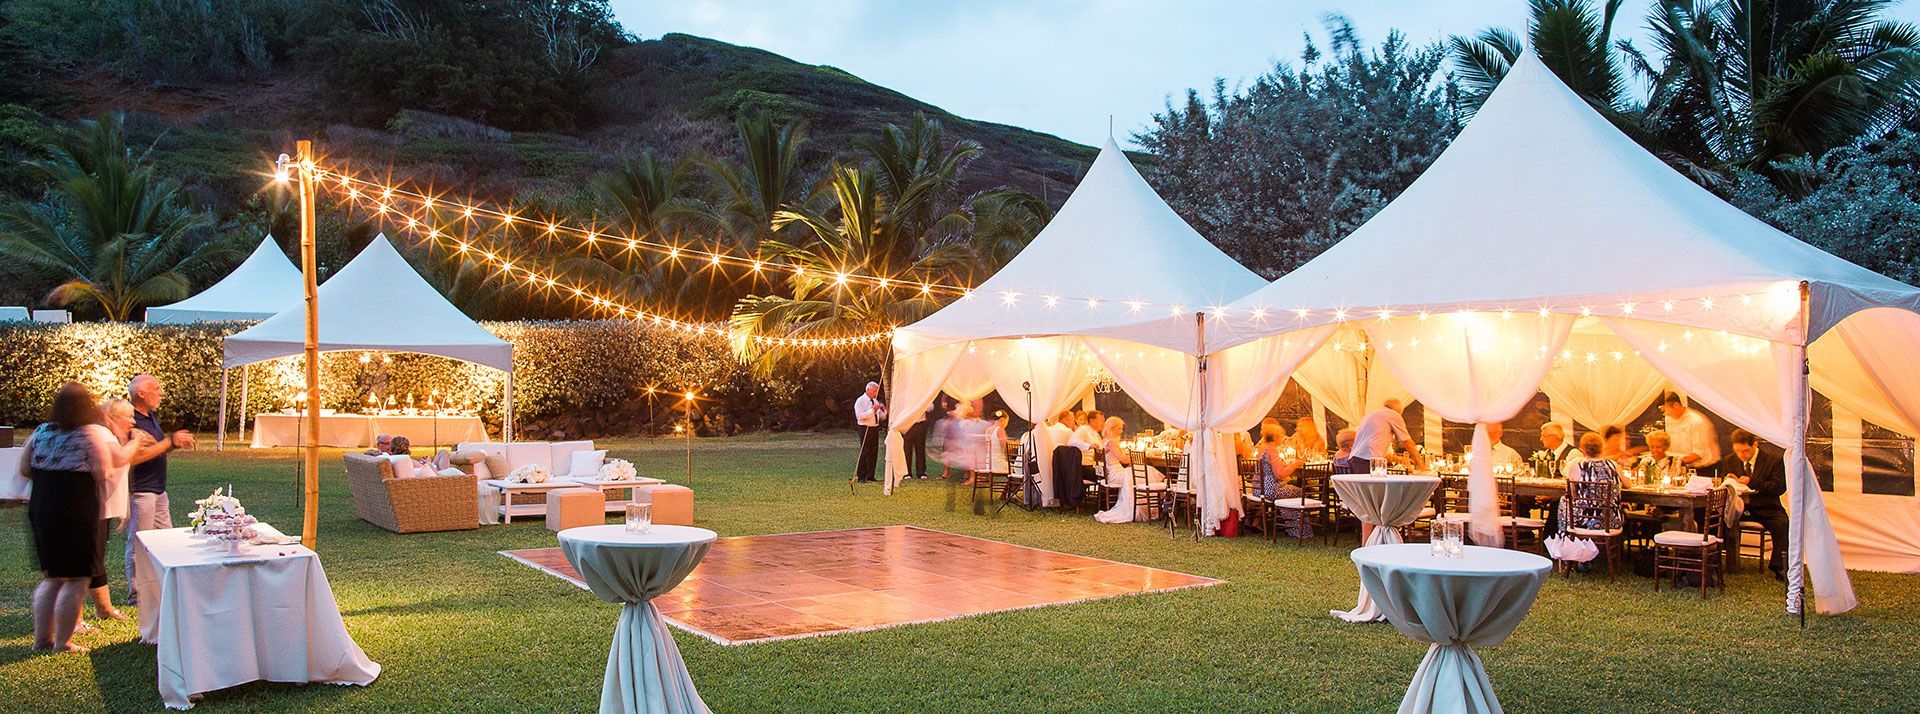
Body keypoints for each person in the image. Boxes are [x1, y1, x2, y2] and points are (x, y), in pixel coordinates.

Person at [25, 383, 117, 653]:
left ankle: (41, 639)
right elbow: (104, 472)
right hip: (76, 508)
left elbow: (23, 468)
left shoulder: (40, 432)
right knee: (77, 577)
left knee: (52, 576)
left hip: (42, 507)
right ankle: (63, 642)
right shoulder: (88, 435)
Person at [124, 374, 194, 604]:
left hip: (157, 489)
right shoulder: (131, 420)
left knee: (166, 538)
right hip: (140, 490)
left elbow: (156, 449)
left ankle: (165, 582)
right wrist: (169, 442)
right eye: (156, 388)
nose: (161, 393)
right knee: (140, 542)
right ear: (140, 394)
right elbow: (134, 457)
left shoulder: (149, 416)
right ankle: (137, 592)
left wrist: (171, 444)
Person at [83, 398, 150, 632]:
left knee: (96, 558)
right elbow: (119, 458)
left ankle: (104, 608)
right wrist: (137, 440)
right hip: (90, 506)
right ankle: (78, 618)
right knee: (87, 561)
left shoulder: (107, 434)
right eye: (129, 416)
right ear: (112, 417)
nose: (133, 420)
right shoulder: (101, 433)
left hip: (101, 507)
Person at [1725, 429, 1788, 580]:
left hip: (1766, 507)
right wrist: (1729, 480)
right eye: (1738, 451)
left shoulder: (1774, 460)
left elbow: (1778, 487)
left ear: (1755, 444)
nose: (1742, 456)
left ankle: (1779, 566)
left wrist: (1752, 481)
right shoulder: (1730, 460)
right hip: (1739, 507)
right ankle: (1720, 561)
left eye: (1745, 451)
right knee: (1716, 520)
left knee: (1783, 524)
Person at [1095, 418, 1166, 524]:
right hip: (1115, 474)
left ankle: (1155, 499)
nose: (1121, 431)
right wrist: (1135, 456)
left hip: (1114, 471)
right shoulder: (1111, 442)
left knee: (1143, 470)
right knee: (1145, 471)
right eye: (1119, 428)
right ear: (1112, 428)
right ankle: (1160, 494)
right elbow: (1123, 459)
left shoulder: (1105, 441)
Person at [1254, 420, 1312, 539]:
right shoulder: (1272, 450)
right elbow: (1280, 474)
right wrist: (1295, 464)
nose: (1282, 438)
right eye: (1281, 436)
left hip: (1258, 488)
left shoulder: (1262, 448)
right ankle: (1297, 529)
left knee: (1291, 490)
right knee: (1301, 492)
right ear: (1275, 436)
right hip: (1270, 489)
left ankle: (1291, 526)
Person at [1560, 432, 1623, 534]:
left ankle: (1564, 540)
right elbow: (1628, 485)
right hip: (1612, 521)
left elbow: (1571, 492)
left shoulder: (1576, 466)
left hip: (1583, 521)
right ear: (1602, 448)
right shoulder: (1613, 465)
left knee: (1563, 502)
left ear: (1582, 449)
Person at [1350, 399, 1424, 474]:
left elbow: (1373, 444)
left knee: (1363, 486)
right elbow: (1407, 442)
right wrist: (1419, 464)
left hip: (1355, 459)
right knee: (1378, 485)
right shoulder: (1393, 415)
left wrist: (1400, 459)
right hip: (1372, 460)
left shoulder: (1371, 415)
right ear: (1400, 410)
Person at [1662, 392, 1721, 476]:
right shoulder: (1669, 419)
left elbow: (1699, 453)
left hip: (1702, 469)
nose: (1665, 414)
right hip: (1679, 466)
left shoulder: (1696, 422)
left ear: (1676, 405)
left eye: (1666, 410)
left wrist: (1678, 462)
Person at [852, 381, 884, 483]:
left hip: (874, 427)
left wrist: (884, 411)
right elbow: (860, 416)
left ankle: (871, 475)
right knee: (864, 452)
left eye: (877, 391)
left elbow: (879, 416)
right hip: (865, 428)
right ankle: (861, 476)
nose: (876, 393)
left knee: (873, 452)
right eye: (874, 391)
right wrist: (872, 410)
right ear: (868, 390)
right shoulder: (860, 401)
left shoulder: (874, 400)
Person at [904, 402, 931, 480]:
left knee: (920, 449)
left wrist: (922, 405)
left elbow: (931, 407)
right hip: (908, 425)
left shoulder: (923, 395)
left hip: (921, 424)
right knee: (907, 449)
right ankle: (907, 473)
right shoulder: (906, 396)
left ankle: (921, 472)